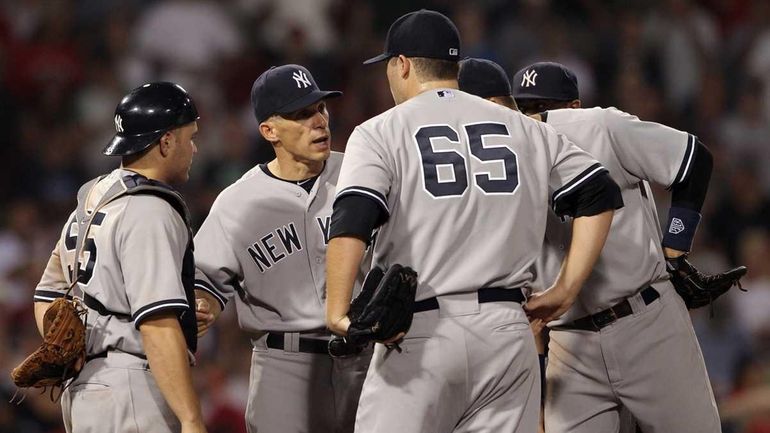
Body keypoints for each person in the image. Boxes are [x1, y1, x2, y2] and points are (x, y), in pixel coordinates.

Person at [324, 10, 623, 433]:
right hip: (506, 332)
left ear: (402, 64)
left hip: (421, 332)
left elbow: (353, 216)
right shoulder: (524, 128)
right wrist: (566, 288)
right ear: (455, 67)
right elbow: (599, 192)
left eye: (389, 66)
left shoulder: (380, 131)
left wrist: (338, 313)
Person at [497, 61, 719, 433]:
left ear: (573, 108)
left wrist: (675, 249)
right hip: (569, 346)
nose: (536, 117)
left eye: (544, 107)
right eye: (527, 108)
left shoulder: (601, 126)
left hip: (648, 325)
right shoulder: (507, 153)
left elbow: (694, 159)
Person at [192, 64, 372, 433]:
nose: (318, 121)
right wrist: (202, 305)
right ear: (269, 130)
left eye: (320, 108)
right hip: (285, 363)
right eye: (301, 114)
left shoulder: (362, 173)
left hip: (367, 358)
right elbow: (202, 282)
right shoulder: (238, 202)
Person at [32, 82, 207, 433]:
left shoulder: (89, 205)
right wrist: (191, 418)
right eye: (189, 137)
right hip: (132, 389)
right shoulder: (150, 210)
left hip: (85, 392)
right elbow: (156, 325)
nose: (194, 148)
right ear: (166, 142)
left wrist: (77, 345)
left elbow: (47, 298)